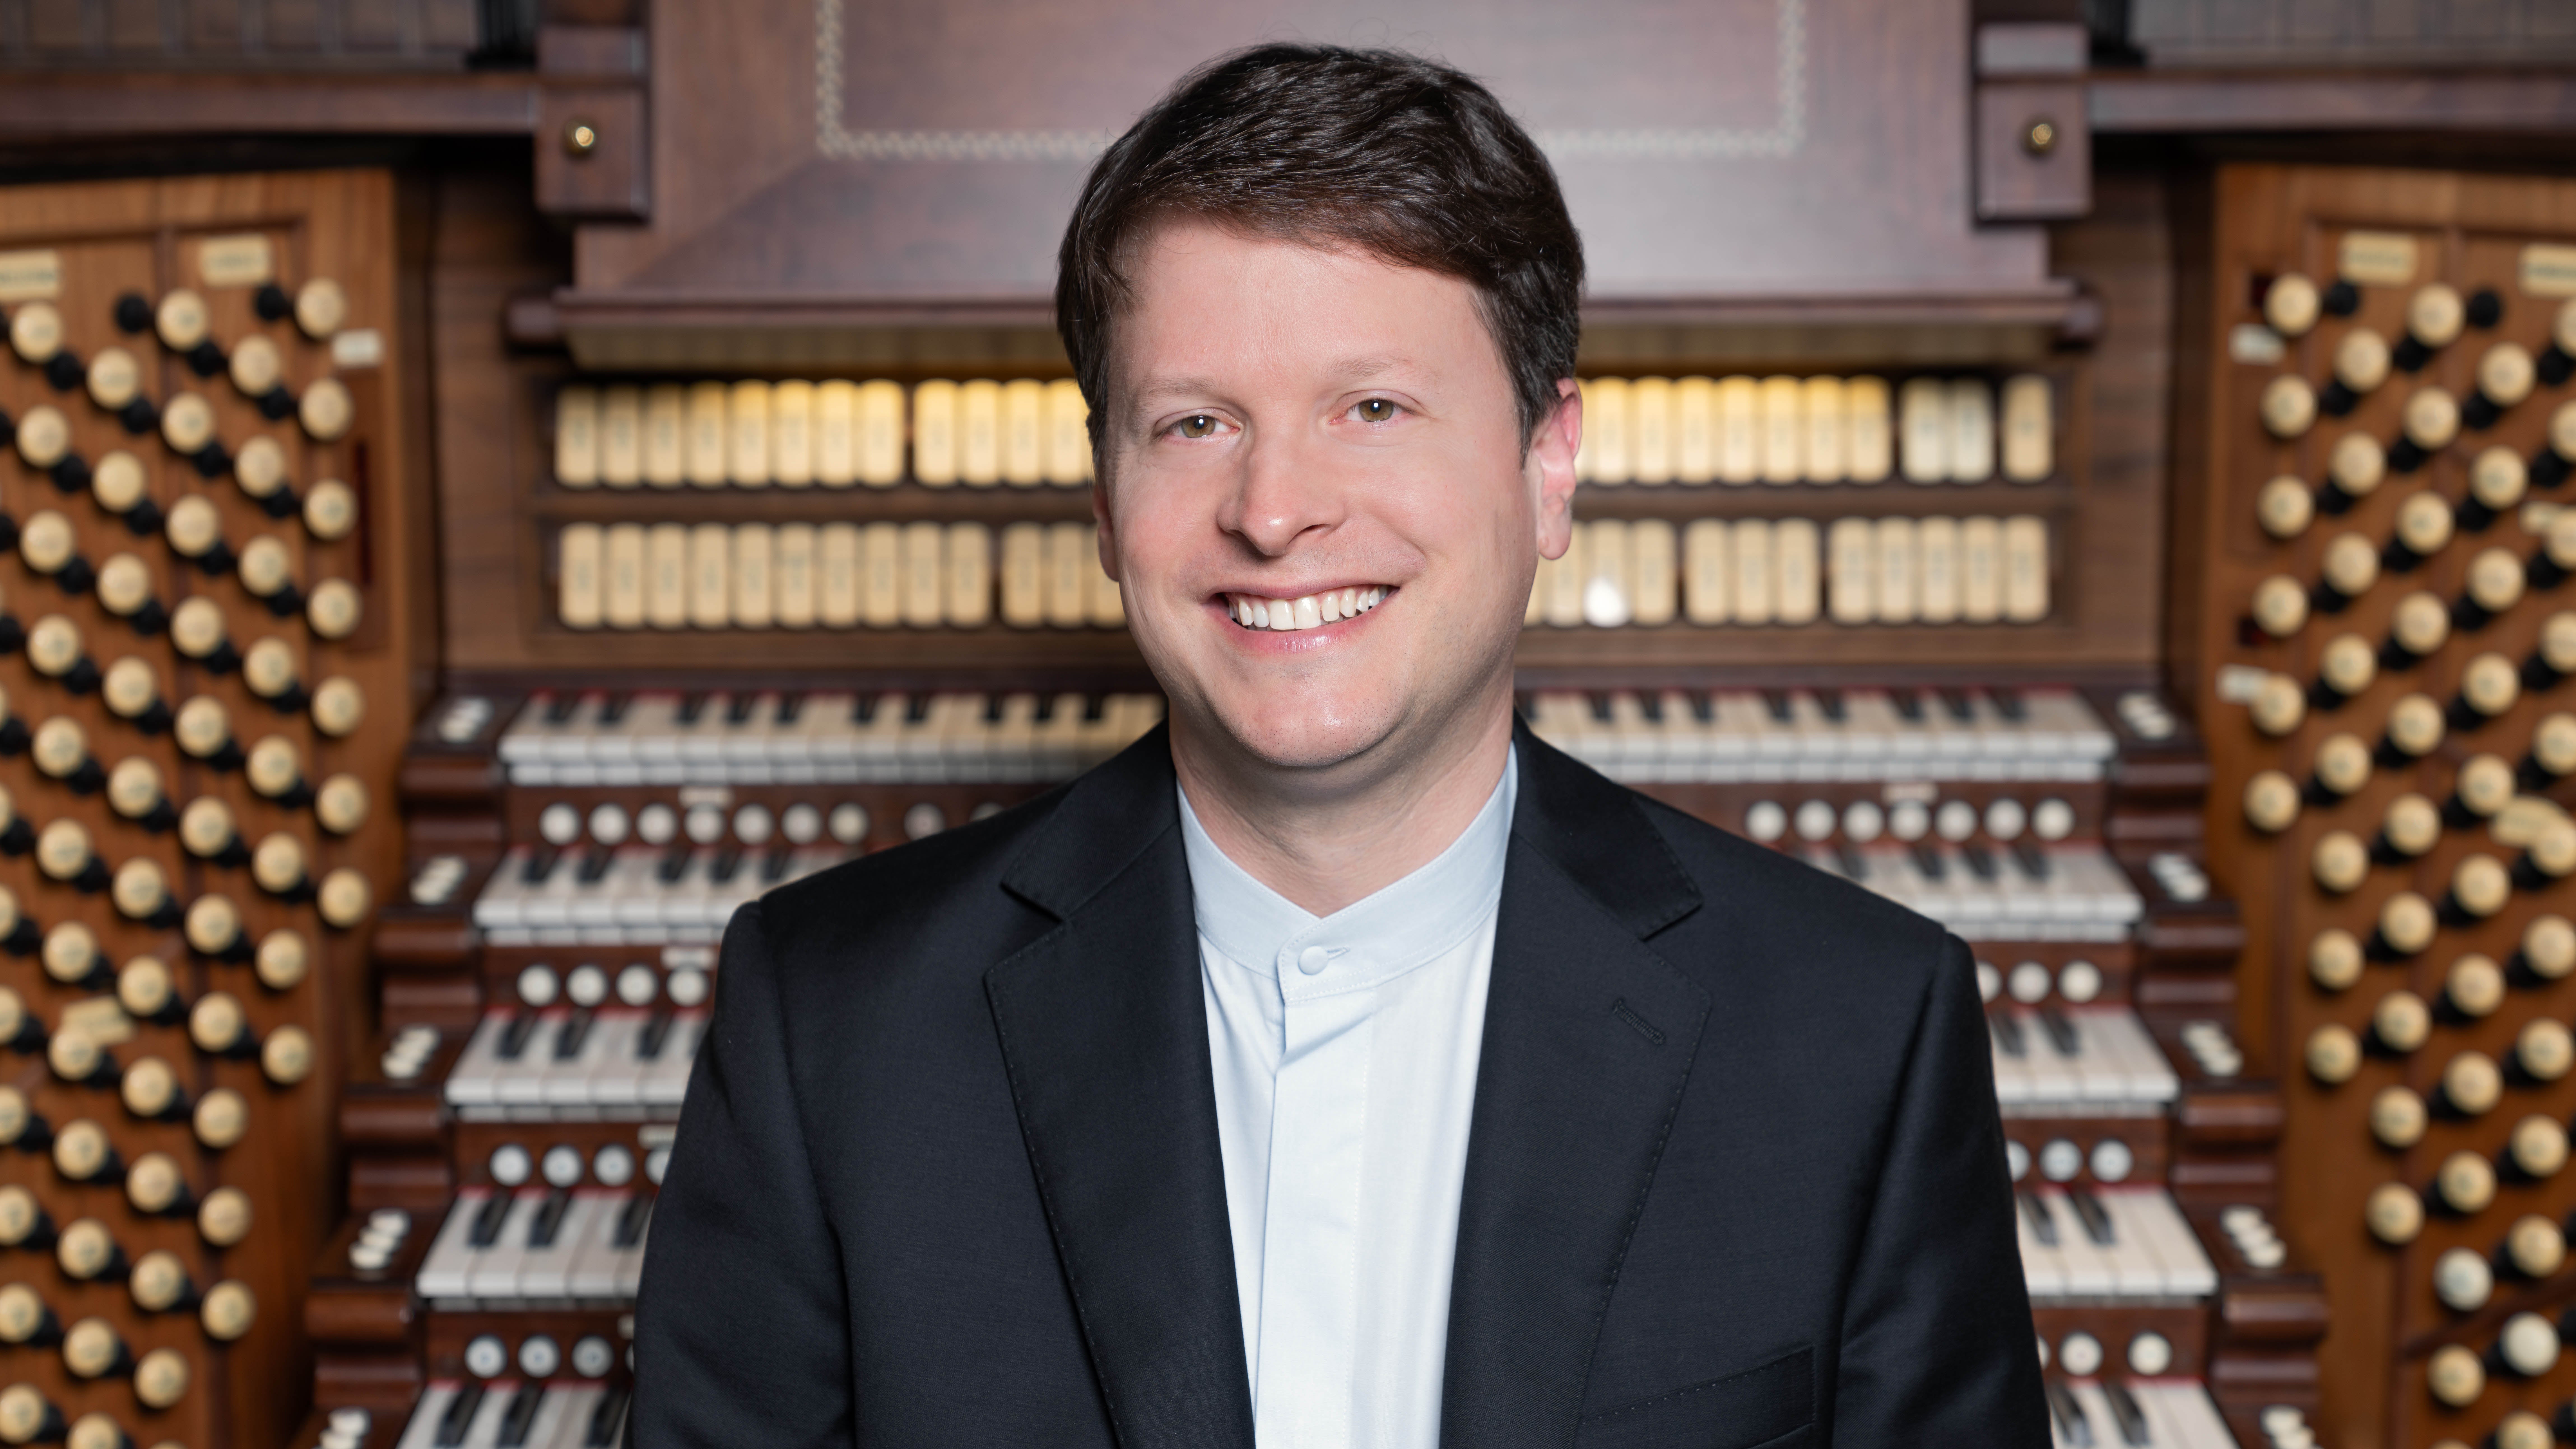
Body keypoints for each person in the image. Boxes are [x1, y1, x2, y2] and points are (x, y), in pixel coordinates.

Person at [633, 43, 2047, 1449]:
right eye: (1194, 422)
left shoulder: (1863, 1031)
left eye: (1371, 407)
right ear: (1103, 497)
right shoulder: (826, 1029)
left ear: (1547, 464)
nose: (1273, 507)